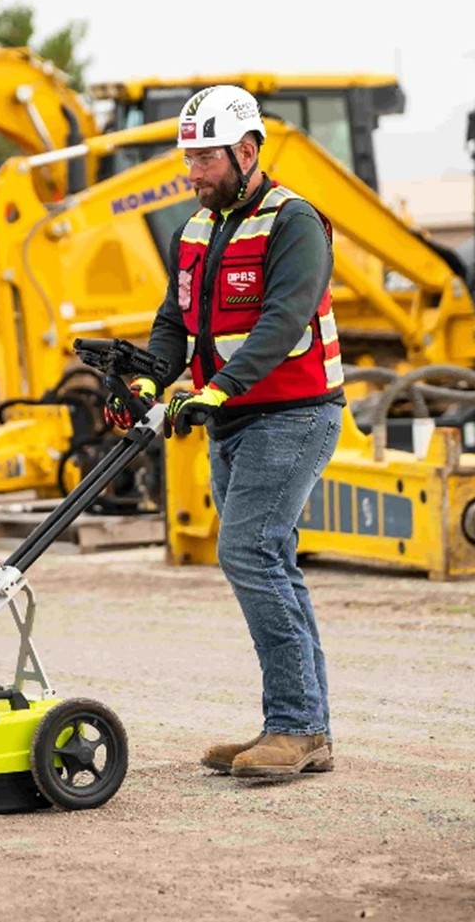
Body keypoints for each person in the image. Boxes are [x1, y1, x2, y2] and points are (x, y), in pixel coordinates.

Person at [106, 85, 344, 778]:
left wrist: (215, 388)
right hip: (232, 419)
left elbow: (284, 319)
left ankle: (293, 726)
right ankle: (306, 728)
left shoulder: (293, 222)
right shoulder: (194, 229)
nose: (193, 171)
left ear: (246, 151)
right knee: (270, 563)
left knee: (248, 552)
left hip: (293, 413)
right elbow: (174, 322)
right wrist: (151, 379)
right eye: (188, 158)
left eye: (205, 158)